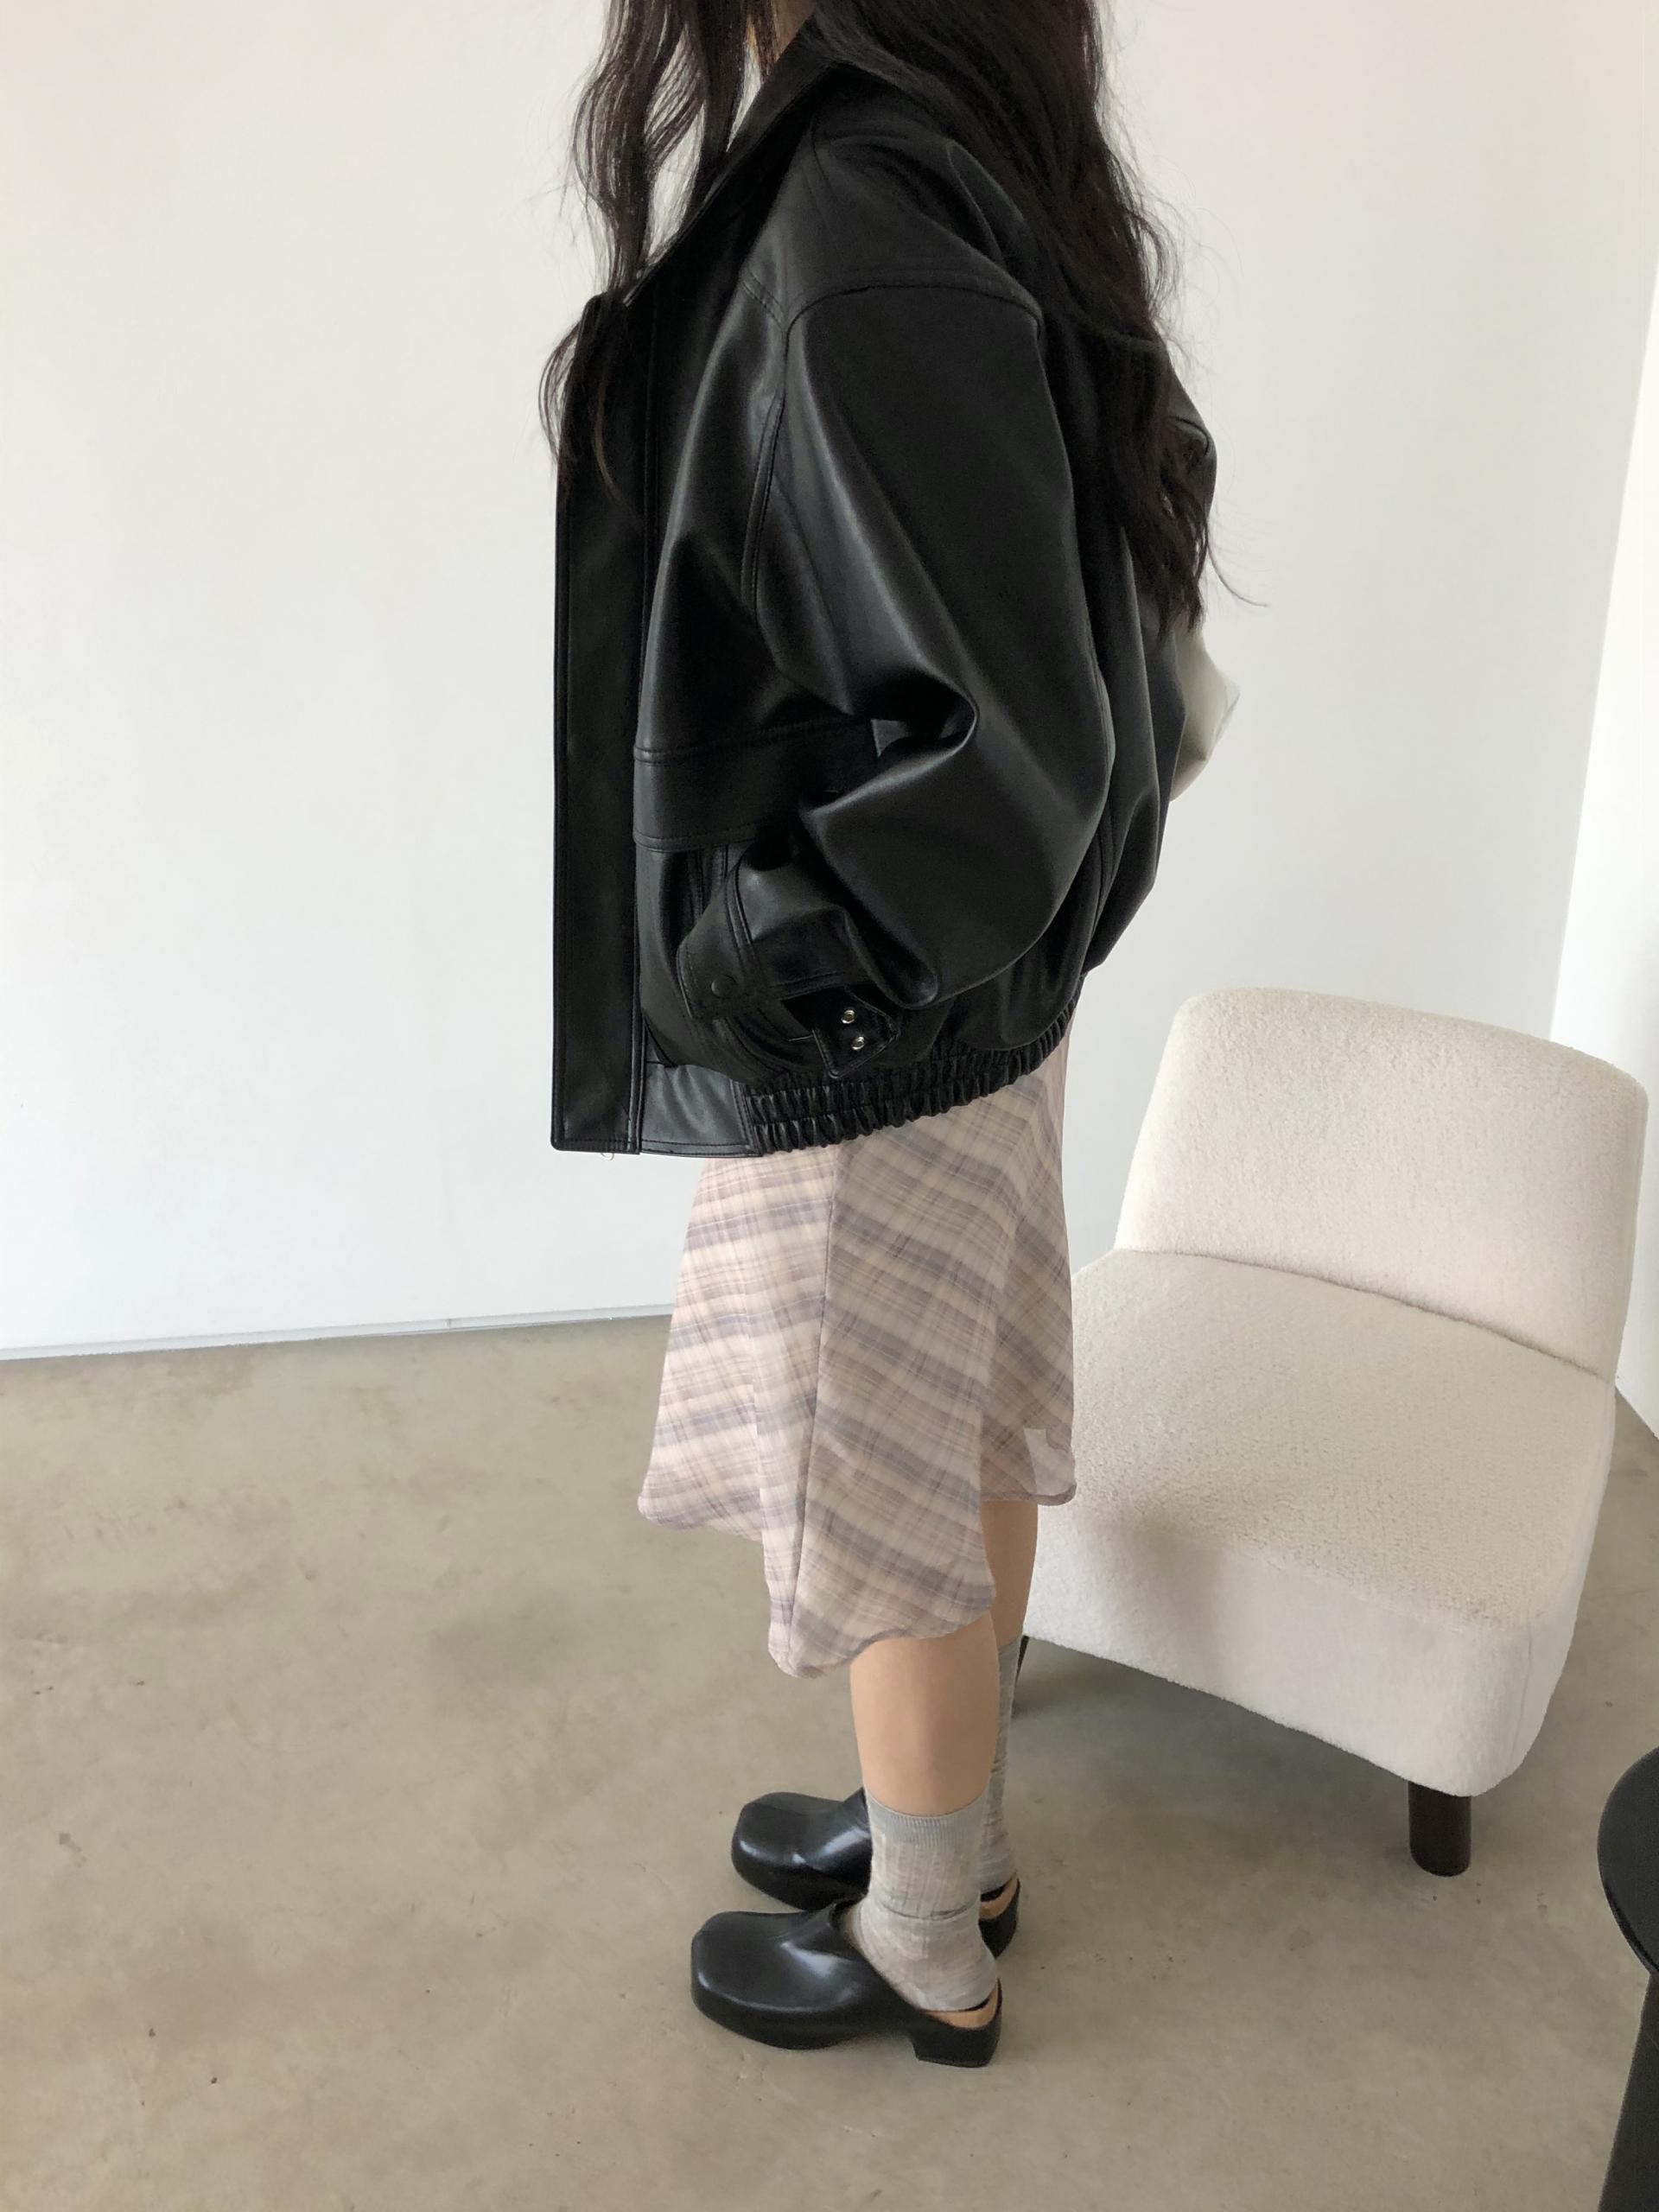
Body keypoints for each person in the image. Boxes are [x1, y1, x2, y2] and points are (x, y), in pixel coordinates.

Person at [543, 0, 1239, 2068]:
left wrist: (764, 958)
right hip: (970, 990)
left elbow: (1000, 747)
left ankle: (926, 1937)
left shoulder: (859, 202)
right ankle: (954, 1835)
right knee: (965, 1412)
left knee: (883, 1468)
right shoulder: (953, 153)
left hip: (888, 1002)